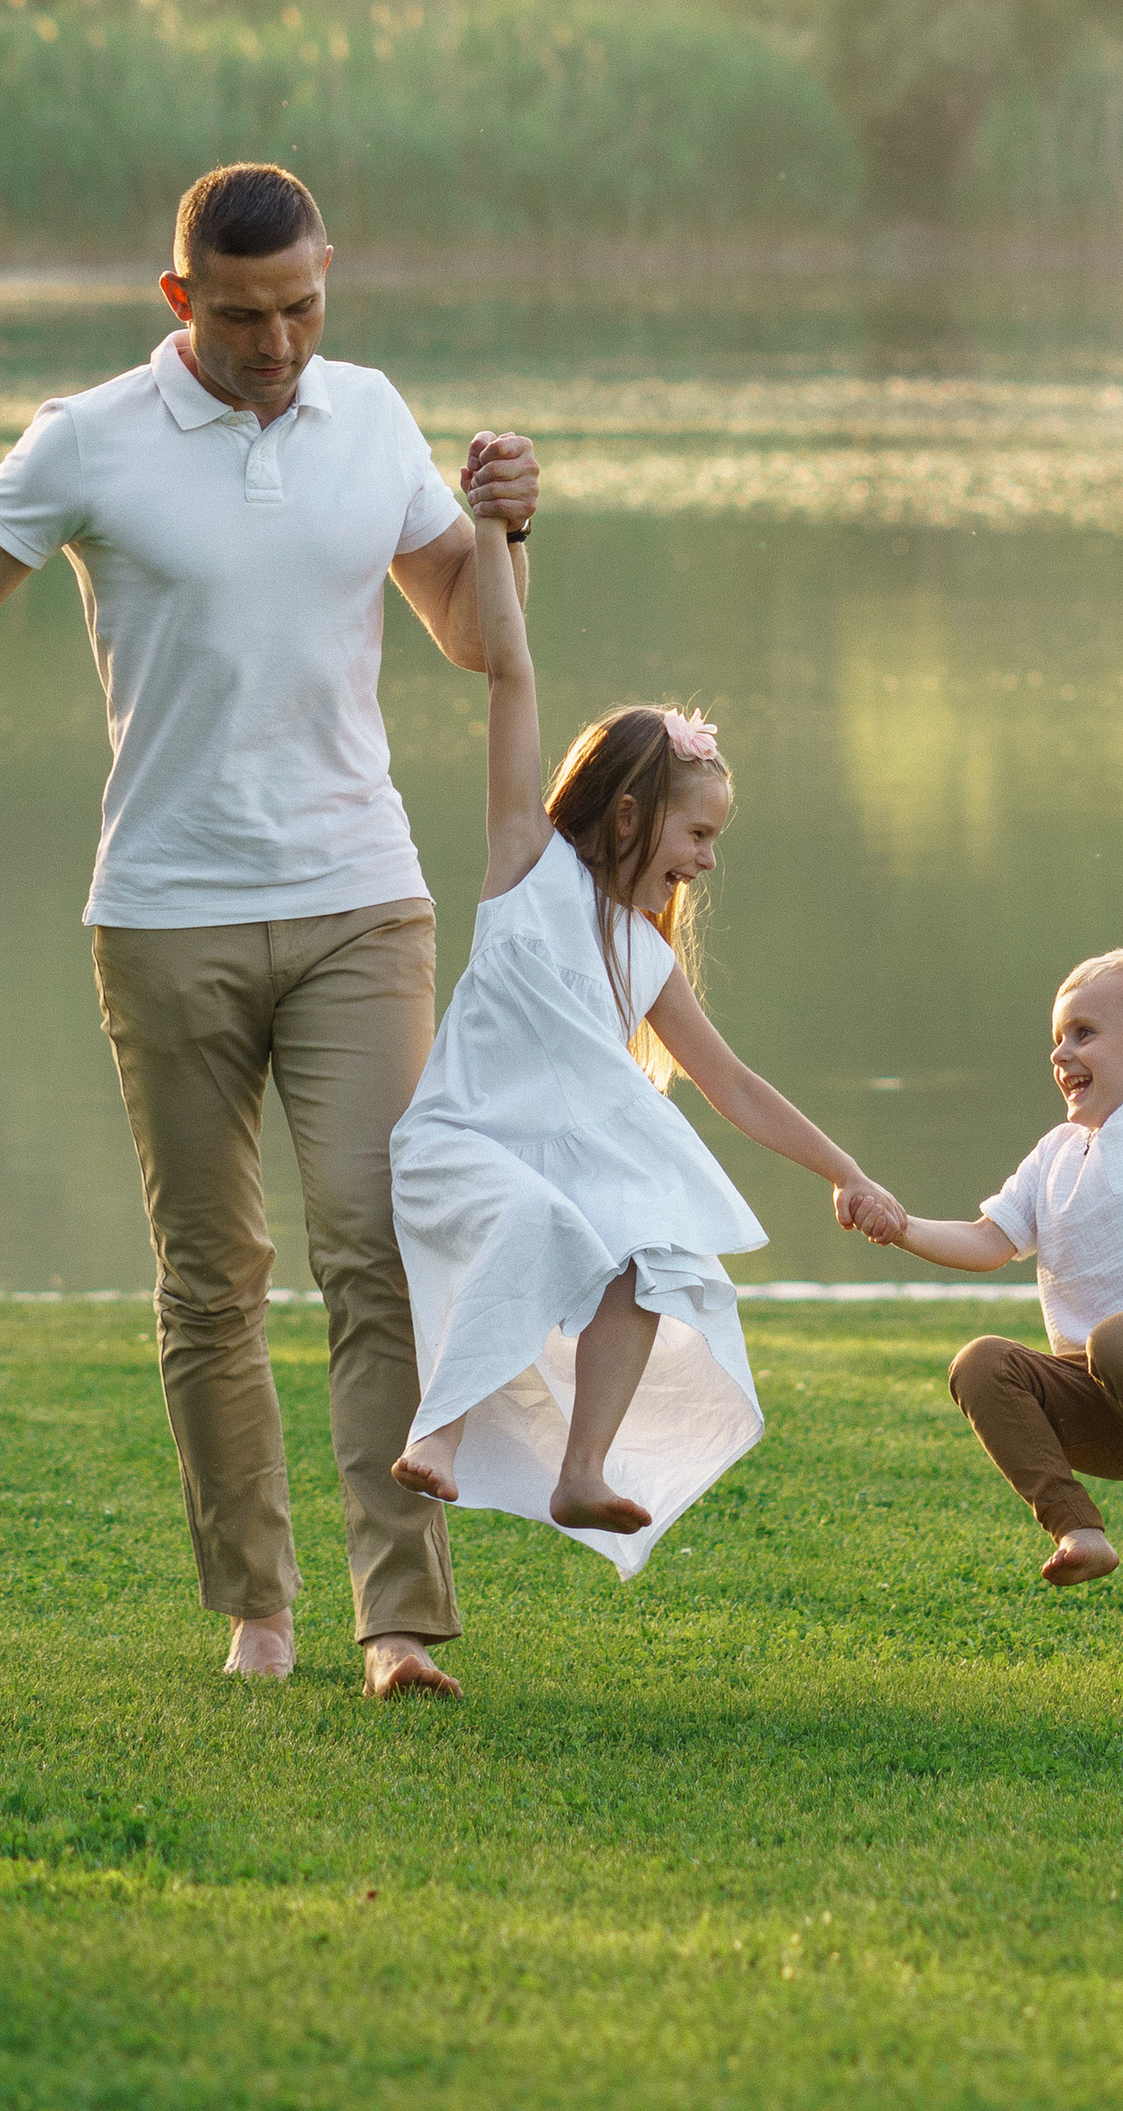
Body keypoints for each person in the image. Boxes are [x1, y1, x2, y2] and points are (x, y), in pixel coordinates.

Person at [0, 160, 540, 1704]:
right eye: (249, 317)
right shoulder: (89, 442)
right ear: (182, 301)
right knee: (211, 1278)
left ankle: (398, 1622)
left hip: (357, 902)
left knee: (375, 1250)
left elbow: (464, 632)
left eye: (307, 307)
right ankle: (258, 1607)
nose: (282, 345)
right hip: (166, 912)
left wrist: (503, 529)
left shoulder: (371, 414)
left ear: (331, 278)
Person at [386, 497, 902, 1575]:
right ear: (628, 815)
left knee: (652, 1258)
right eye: (698, 833)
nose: (708, 861)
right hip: (464, 1153)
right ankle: (438, 1428)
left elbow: (735, 1086)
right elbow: (513, 673)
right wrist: (489, 533)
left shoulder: (645, 955)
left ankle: (585, 1468)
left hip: (556, 1176)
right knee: (542, 1224)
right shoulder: (528, 866)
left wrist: (843, 1170)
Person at [866, 797, 1123, 1589]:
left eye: (1083, 1031)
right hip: (1095, 1409)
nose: (1061, 1050)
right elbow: (988, 1242)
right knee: (981, 1362)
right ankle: (1078, 1531)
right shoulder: (1053, 1156)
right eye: (1057, 1036)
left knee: (1118, 1333)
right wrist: (899, 1224)